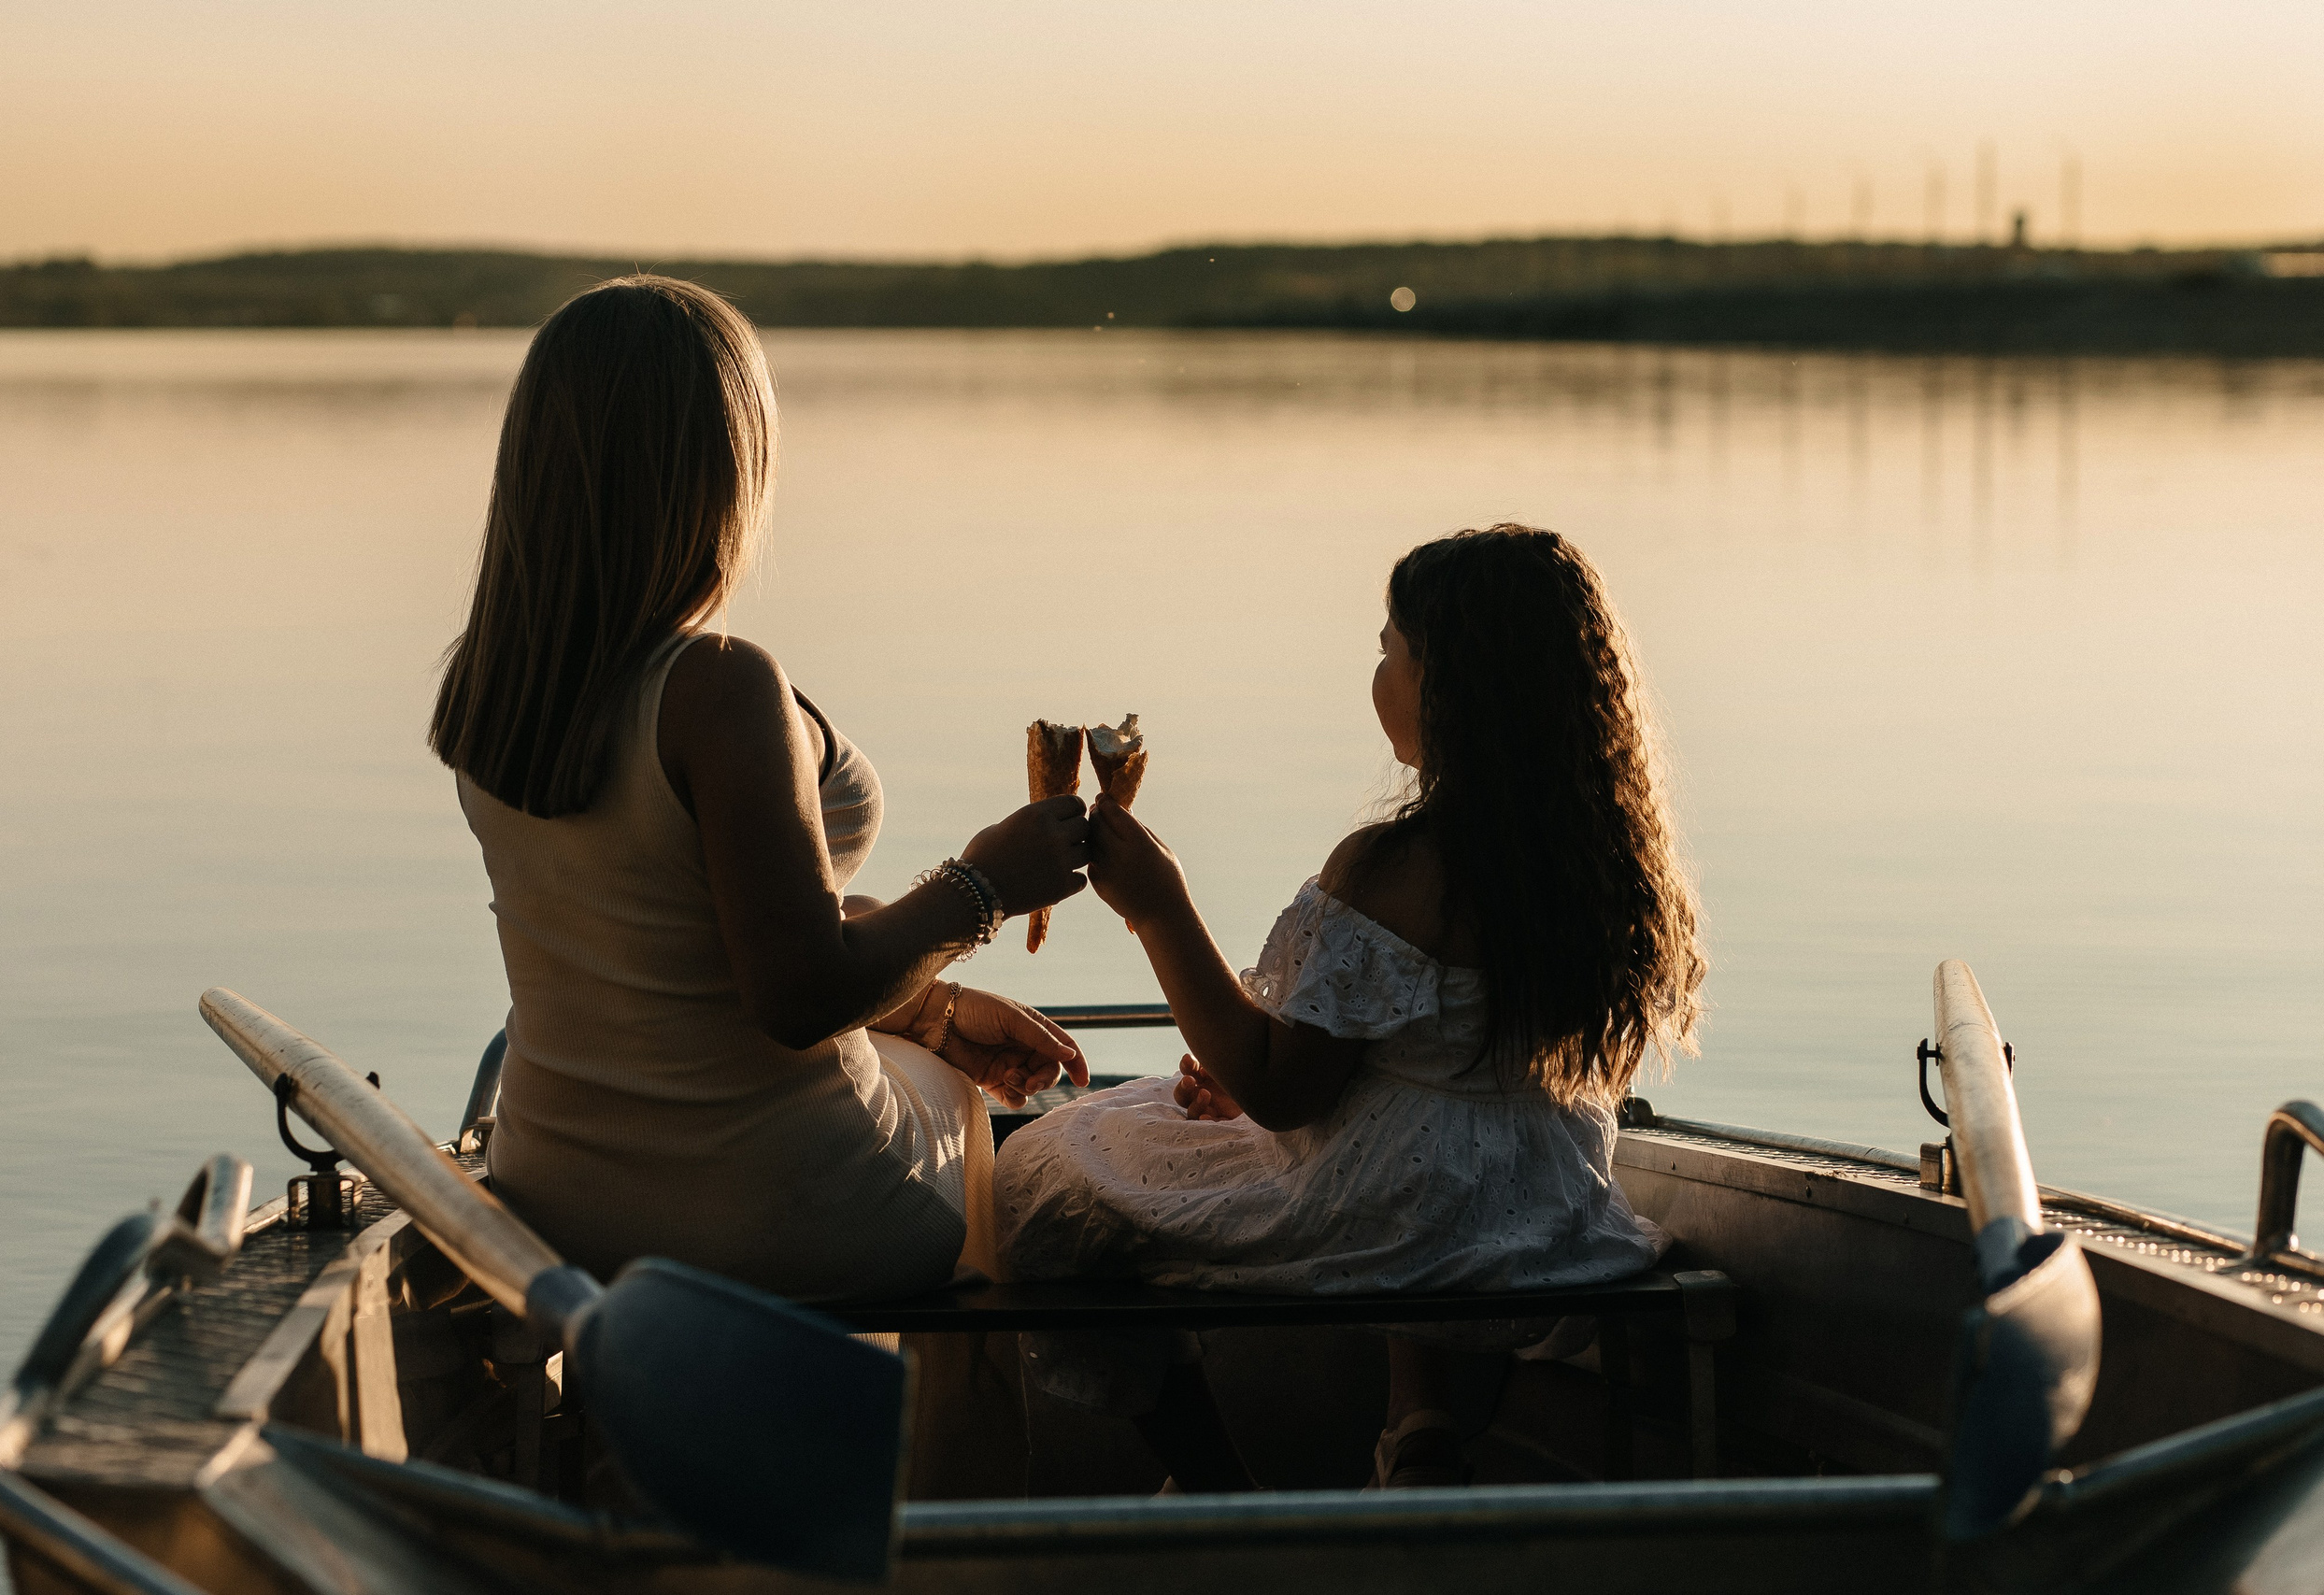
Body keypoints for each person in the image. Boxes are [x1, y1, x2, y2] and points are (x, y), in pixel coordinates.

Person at [995, 525, 1705, 1490]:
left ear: (1445, 686)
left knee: (1050, 1171)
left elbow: (1281, 1091)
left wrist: (1158, 905)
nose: (1377, 669)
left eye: (1388, 648)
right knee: (1408, 1151)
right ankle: (1421, 1430)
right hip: (1544, 1200)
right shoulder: (1606, 868)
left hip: (1400, 1215)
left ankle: (1214, 1487)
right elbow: (1434, 1056)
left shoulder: (1396, 869)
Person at [432, 276, 1090, 1303]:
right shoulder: (717, 685)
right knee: (961, 1107)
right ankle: (938, 1455)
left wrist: (927, 1001)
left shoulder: (499, 672)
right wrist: (984, 886)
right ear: (722, 467)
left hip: (554, 1199)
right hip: (763, 1209)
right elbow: (797, 994)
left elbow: (679, 934)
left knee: (929, 1051)